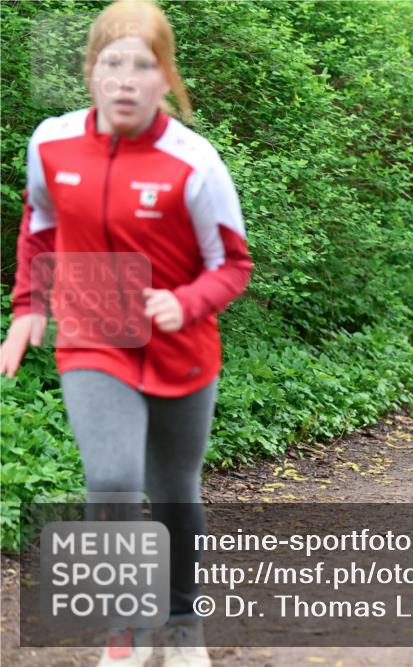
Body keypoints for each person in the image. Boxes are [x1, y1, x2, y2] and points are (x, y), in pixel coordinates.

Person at [0, 1, 253, 664]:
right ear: (90, 71)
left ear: (166, 76)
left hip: (180, 347)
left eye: (143, 66)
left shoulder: (195, 162)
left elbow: (233, 265)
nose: (125, 80)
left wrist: (186, 302)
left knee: (174, 492)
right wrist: (28, 307)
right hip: (94, 332)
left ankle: (181, 619)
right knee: (112, 478)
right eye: (111, 63)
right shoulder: (51, 143)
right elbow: (40, 227)